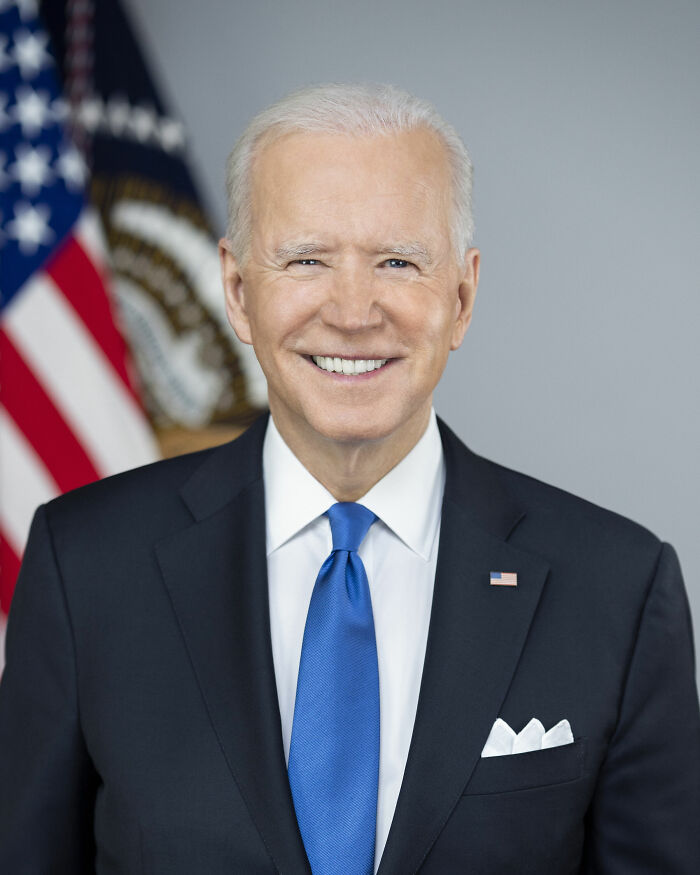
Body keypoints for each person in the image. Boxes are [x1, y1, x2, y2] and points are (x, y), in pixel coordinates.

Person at [0, 83, 698, 874]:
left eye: (398, 261)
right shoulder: (83, 565)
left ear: (462, 295)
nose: (354, 310)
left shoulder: (618, 588)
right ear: (237, 290)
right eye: (307, 259)